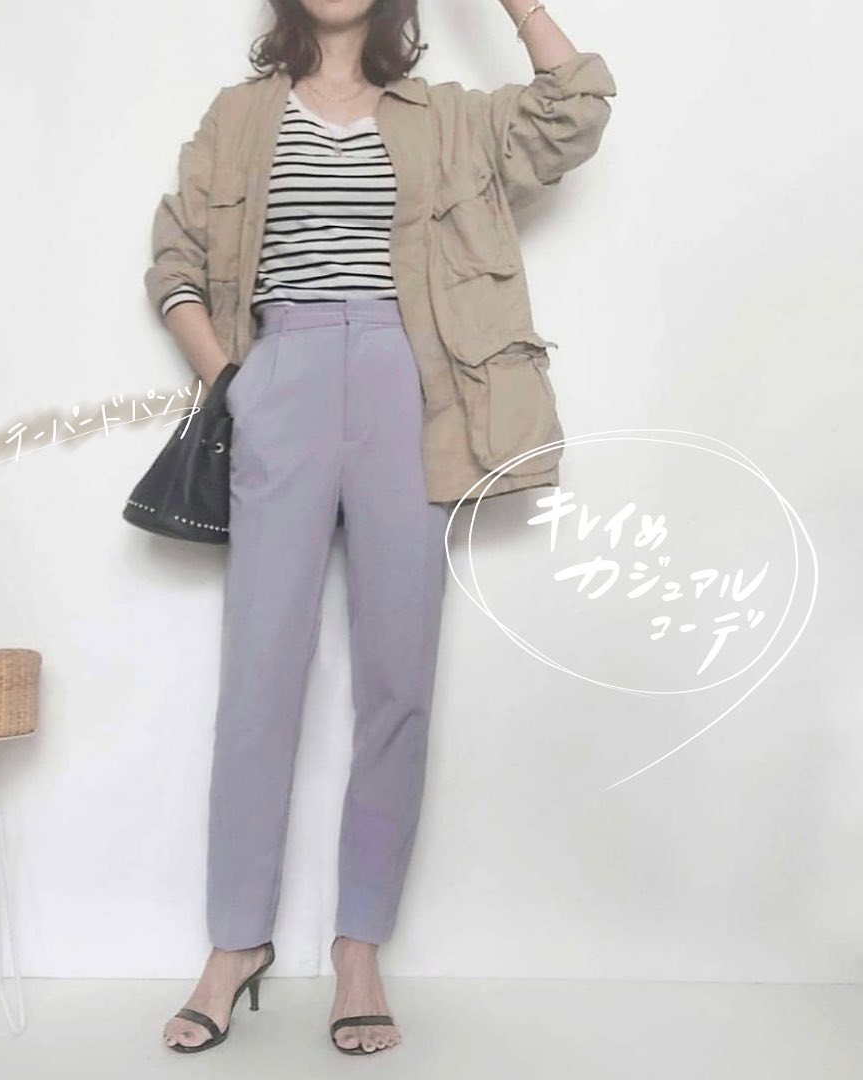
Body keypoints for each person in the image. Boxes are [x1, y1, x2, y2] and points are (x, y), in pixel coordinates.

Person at [145, 0, 616, 1056]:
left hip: (417, 389)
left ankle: (359, 948)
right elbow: (175, 257)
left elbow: (576, 108)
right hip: (283, 376)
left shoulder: (447, 117)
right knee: (260, 672)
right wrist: (234, 381)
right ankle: (235, 944)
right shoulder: (239, 115)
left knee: (398, 678)